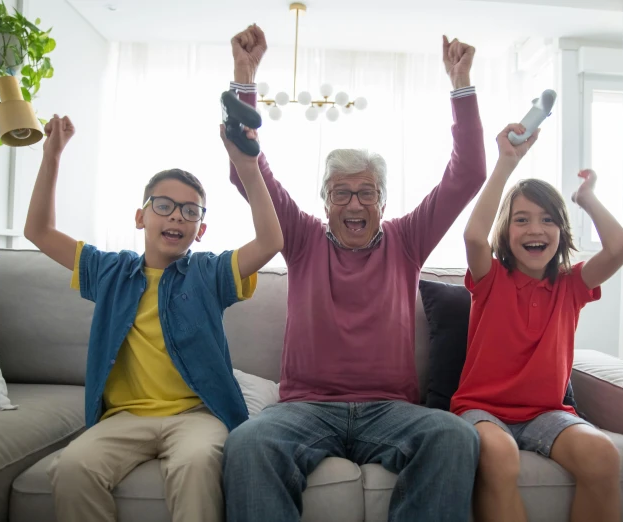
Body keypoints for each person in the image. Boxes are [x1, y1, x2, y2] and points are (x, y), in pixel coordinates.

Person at [220, 25, 488, 522]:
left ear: (383, 202)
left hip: (390, 410)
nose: (354, 203)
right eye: (340, 193)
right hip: (305, 409)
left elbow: (468, 173)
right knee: (248, 443)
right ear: (324, 203)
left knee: (455, 436)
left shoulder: (408, 240)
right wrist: (244, 75)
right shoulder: (299, 238)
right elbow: (246, 170)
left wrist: (461, 84)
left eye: (366, 192)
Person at [24, 114, 283, 522]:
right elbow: (38, 230)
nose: (177, 216)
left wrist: (247, 167)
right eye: (163, 206)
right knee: (73, 469)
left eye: (190, 211)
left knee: (197, 465)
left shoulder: (209, 273)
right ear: (140, 216)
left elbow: (271, 241)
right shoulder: (108, 270)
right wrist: (52, 155)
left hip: (197, 415)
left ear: (200, 229)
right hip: (124, 418)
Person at [452, 122, 623, 522]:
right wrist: (506, 163)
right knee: (499, 456)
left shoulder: (572, 285)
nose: (535, 229)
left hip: (547, 413)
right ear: (506, 230)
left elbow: (621, 248)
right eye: (521, 220)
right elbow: (473, 238)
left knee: (602, 454)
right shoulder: (491, 277)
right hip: (481, 410)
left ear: (561, 232)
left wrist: (587, 199)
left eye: (548, 219)